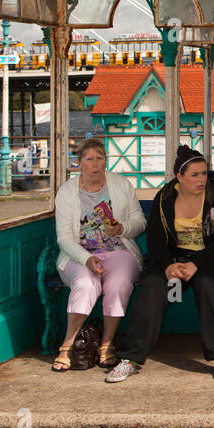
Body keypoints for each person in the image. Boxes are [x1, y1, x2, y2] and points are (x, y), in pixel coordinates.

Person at [105, 146, 214, 382]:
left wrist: (197, 263)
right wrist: (167, 266)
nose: (201, 179)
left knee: (207, 285)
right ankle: (131, 358)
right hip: (174, 261)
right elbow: (155, 241)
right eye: (194, 175)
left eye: (204, 173)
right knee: (154, 288)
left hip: (209, 259)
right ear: (179, 177)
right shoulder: (165, 198)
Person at [52, 138, 147, 371]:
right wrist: (87, 258)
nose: (95, 164)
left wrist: (122, 228)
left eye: (100, 158)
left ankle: (107, 344)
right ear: (80, 163)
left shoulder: (121, 185)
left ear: (106, 160)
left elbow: (140, 222)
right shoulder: (66, 192)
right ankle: (67, 345)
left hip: (119, 251)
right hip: (79, 255)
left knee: (118, 283)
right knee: (85, 283)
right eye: (89, 159)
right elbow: (64, 238)